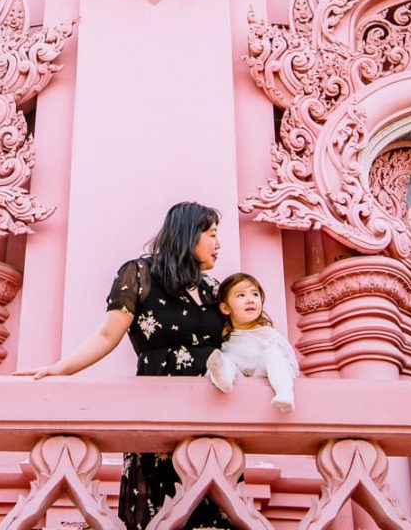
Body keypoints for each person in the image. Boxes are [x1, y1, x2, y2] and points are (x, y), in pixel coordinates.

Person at [15, 201, 233, 530]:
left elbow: (241, 344)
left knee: (213, 516)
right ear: (189, 234)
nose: (218, 244)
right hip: (157, 413)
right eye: (212, 234)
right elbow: (107, 335)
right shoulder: (140, 274)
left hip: (216, 417)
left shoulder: (215, 289)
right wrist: (60, 368)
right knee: (159, 513)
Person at [206, 272, 298, 412]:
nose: (250, 300)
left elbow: (288, 360)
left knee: (272, 352)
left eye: (255, 294)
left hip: (261, 370)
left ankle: (284, 393)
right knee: (225, 360)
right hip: (239, 371)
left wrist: (284, 374)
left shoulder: (268, 333)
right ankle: (223, 380)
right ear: (225, 308)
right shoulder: (226, 335)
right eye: (241, 295)